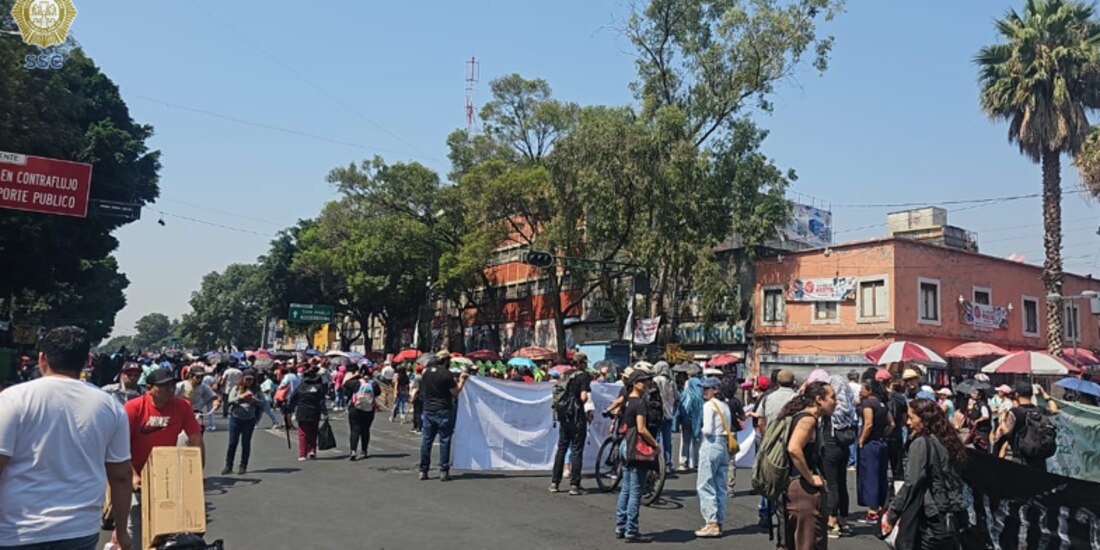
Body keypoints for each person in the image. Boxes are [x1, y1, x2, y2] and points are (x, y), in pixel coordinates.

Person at [0, 326, 133, 550]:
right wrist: (121, 532)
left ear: (42, 358)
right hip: (79, 529)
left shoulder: (13, 399)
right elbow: (121, 476)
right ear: (85, 362)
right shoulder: (109, 406)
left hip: (18, 530)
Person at [126, 368, 204, 549]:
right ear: (149, 388)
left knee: (169, 523)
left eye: (172, 385)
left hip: (165, 472)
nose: (170, 390)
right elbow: (118, 448)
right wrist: (132, 476)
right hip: (135, 471)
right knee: (135, 520)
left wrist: (198, 471)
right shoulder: (133, 408)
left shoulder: (182, 406)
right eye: (163, 386)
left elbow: (195, 439)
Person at [883, 398, 967, 550]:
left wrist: (892, 513)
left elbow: (911, 482)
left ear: (924, 419)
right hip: (952, 512)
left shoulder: (922, 443)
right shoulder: (949, 439)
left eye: (911, 417)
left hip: (932, 515)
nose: (908, 423)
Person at [781, 381, 837, 550]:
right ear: (819, 399)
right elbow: (794, 448)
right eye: (832, 397)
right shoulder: (808, 420)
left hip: (794, 486)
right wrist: (810, 477)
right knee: (808, 541)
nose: (836, 402)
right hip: (802, 490)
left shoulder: (802, 417)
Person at [615, 370, 659, 543]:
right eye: (643, 382)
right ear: (634, 384)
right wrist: (655, 443)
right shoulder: (640, 404)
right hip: (636, 446)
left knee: (626, 488)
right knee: (635, 490)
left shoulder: (627, 401)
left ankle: (620, 525)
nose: (646, 384)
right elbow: (641, 428)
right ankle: (631, 529)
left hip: (626, 444)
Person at [419, 352, 470, 481]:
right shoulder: (446, 374)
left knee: (426, 441)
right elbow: (455, 392)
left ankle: (423, 470)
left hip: (429, 409)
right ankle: (443, 470)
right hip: (443, 410)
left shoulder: (426, 373)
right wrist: (462, 381)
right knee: (445, 440)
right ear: (446, 361)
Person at [695, 377, 732, 538]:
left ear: (715, 389)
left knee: (705, 484)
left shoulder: (709, 405)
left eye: (707, 388)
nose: (704, 391)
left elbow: (708, 429)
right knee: (720, 485)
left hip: (711, 443)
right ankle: (719, 520)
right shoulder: (725, 405)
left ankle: (711, 522)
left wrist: (701, 430)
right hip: (723, 444)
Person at [996, 381, 1059, 470]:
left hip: (1021, 459)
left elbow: (1007, 432)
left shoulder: (1015, 412)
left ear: (1017, 395)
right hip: (1040, 458)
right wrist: (1044, 394)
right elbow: (1055, 410)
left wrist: (1002, 420)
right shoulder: (1041, 410)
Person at [823, 374, 857, 539]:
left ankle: (832, 521)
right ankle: (844, 520)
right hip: (845, 447)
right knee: (842, 483)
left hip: (831, 445)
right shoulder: (849, 405)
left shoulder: (831, 407)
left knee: (832, 484)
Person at [550, 368, 593, 495]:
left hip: (564, 416)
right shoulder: (583, 376)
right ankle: (574, 484)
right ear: (583, 363)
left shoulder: (565, 375)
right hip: (577, 416)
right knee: (577, 450)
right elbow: (583, 397)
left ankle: (555, 482)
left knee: (561, 448)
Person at [857, 379, 893, 524]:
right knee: (881, 475)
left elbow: (868, 423)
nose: (861, 390)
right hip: (882, 442)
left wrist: (861, 439)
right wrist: (884, 434)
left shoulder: (868, 404)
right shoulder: (883, 404)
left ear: (869, 390)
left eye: (863, 388)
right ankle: (881, 506)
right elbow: (891, 423)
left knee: (870, 475)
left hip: (871, 443)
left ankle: (872, 511)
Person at [223, 369, 263, 475]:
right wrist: (241, 397)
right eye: (247, 379)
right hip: (236, 418)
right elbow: (230, 401)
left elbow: (264, 403)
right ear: (243, 379)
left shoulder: (257, 389)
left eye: (251, 379)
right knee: (232, 442)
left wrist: (254, 400)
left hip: (249, 419)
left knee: (246, 443)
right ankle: (228, 465)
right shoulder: (236, 388)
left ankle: (243, 465)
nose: (249, 381)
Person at [289, 368, 327, 461]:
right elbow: (322, 401)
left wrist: (289, 409)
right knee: (313, 432)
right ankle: (312, 450)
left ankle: (302, 454)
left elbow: (293, 398)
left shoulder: (301, 386)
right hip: (315, 411)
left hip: (302, 411)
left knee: (303, 433)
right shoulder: (318, 387)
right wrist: (324, 412)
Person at [345, 366, 381, 461]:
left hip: (356, 408)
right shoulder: (374, 384)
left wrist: (354, 376)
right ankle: (364, 450)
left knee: (354, 430)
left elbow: (345, 384)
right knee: (365, 430)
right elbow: (378, 393)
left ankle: (353, 451)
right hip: (369, 409)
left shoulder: (356, 383)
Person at [177, 366, 220, 432]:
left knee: (199, 431)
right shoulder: (181, 386)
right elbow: (169, 398)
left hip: (196, 413)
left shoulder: (203, 386)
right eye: (197, 377)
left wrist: (216, 401)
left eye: (202, 377)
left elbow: (214, 396)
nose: (200, 379)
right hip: (180, 413)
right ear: (191, 376)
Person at [677, 373, 704, 471]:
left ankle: (684, 463)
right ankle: (697, 463)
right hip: (698, 422)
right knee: (697, 442)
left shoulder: (685, 393)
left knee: (685, 442)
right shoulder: (701, 395)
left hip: (687, 421)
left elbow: (684, 408)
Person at [964, 388, 993, 453]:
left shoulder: (982, 405)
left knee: (983, 445)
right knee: (976, 444)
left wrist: (977, 420)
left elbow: (986, 416)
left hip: (983, 429)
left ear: (979, 396)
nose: (972, 394)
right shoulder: (976, 404)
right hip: (976, 429)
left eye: (975, 393)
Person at [409, 365, 424, 434]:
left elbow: (416, 388)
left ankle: (417, 427)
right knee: (420, 412)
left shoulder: (417, 377)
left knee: (417, 412)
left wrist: (412, 396)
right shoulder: (424, 377)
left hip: (417, 396)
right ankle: (419, 426)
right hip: (423, 396)